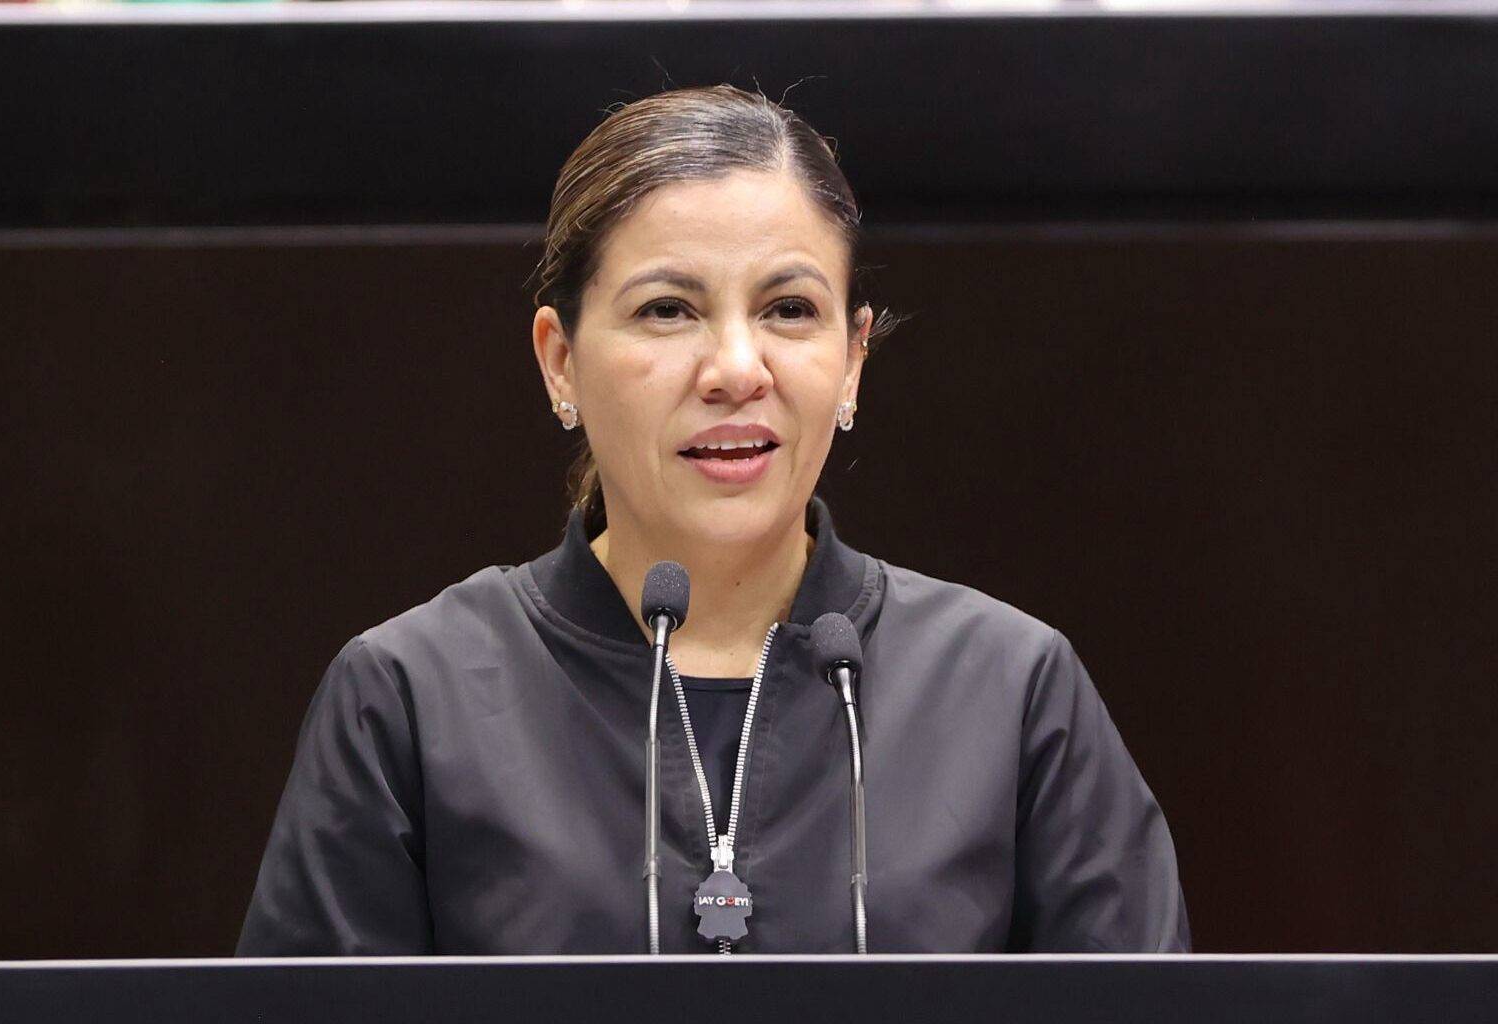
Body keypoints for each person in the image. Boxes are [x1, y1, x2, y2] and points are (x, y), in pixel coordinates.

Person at [237, 85, 1189, 956]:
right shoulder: (410, 699)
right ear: (560, 360)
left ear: (853, 359)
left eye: (789, 309)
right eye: (668, 310)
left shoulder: (1010, 690)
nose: (736, 368)